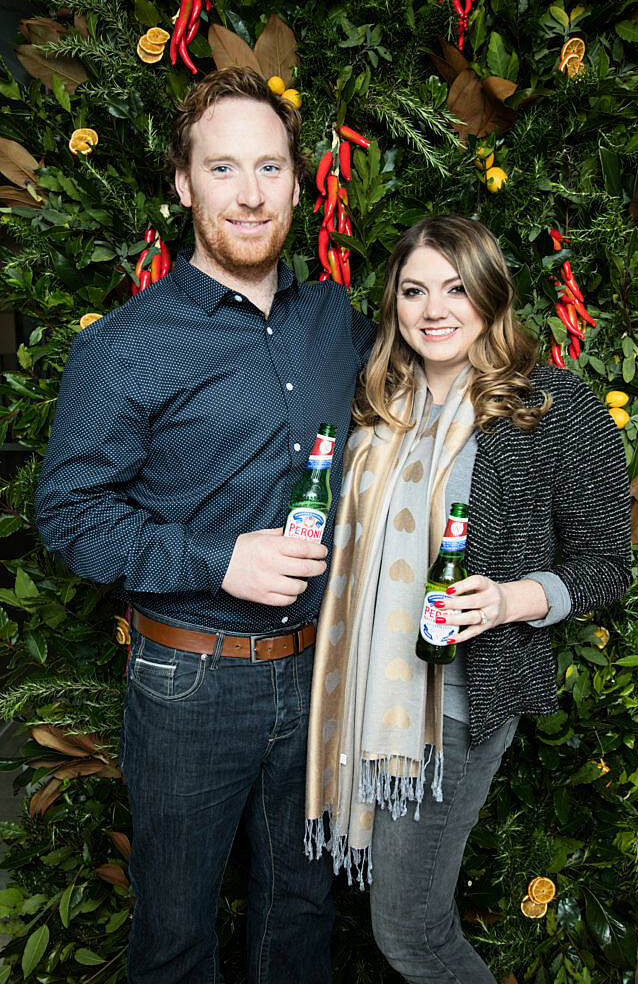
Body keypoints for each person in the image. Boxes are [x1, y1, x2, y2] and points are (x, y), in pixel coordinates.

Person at [34, 67, 375, 984]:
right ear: (183, 185)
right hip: (190, 683)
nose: (251, 193)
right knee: (177, 935)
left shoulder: (334, 320)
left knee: (300, 916)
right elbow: (67, 516)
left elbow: (439, 367)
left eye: (269, 168)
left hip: (318, 671)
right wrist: (216, 558)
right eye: (223, 169)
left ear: (298, 185)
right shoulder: (125, 345)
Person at [305, 214, 631, 983]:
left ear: (490, 293)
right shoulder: (375, 399)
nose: (433, 309)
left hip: (456, 705)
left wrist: (510, 599)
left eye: (455, 288)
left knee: (411, 934)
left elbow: (606, 565)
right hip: (355, 694)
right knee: (395, 923)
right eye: (414, 290)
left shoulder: (549, 405)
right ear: (393, 304)